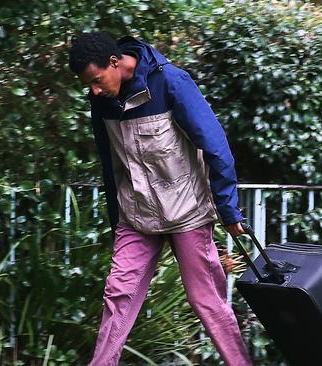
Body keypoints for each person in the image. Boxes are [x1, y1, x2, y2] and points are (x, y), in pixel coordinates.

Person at [68, 31, 252, 366]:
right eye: (88, 85)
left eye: (96, 81)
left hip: (186, 213)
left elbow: (216, 147)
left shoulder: (171, 83)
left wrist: (228, 209)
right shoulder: (101, 101)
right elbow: (110, 166)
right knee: (118, 295)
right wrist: (117, 223)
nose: (93, 91)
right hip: (135, 216)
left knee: (205, 299)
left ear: (115, 63)